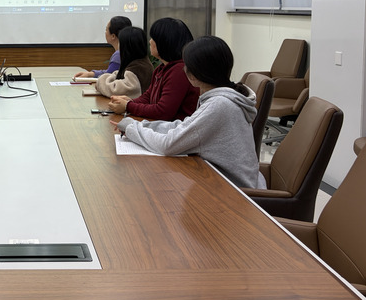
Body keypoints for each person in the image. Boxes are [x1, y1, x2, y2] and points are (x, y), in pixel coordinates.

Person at [112, 36, 266, 191]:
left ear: (195, 74)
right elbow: (185, 126)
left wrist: (132, 129)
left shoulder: (219, 105)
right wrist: (142, 125)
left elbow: (168, 145)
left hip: (235, 193)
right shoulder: (223, 97)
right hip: (220, 181)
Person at [107, 17, 199, 120]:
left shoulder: (179, 70)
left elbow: (163, 111)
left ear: (164, 42)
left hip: (174, 128)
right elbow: (148, 97)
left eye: (153, 38)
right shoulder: (161, 68)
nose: (150, 42)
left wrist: (128, 106)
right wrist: (130, 102)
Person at [92, 26, 153, 98]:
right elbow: (117, 75)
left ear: (126, 47)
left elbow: (116, 91)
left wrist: (101, 82)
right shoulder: (141, 62)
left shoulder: (137, 69)